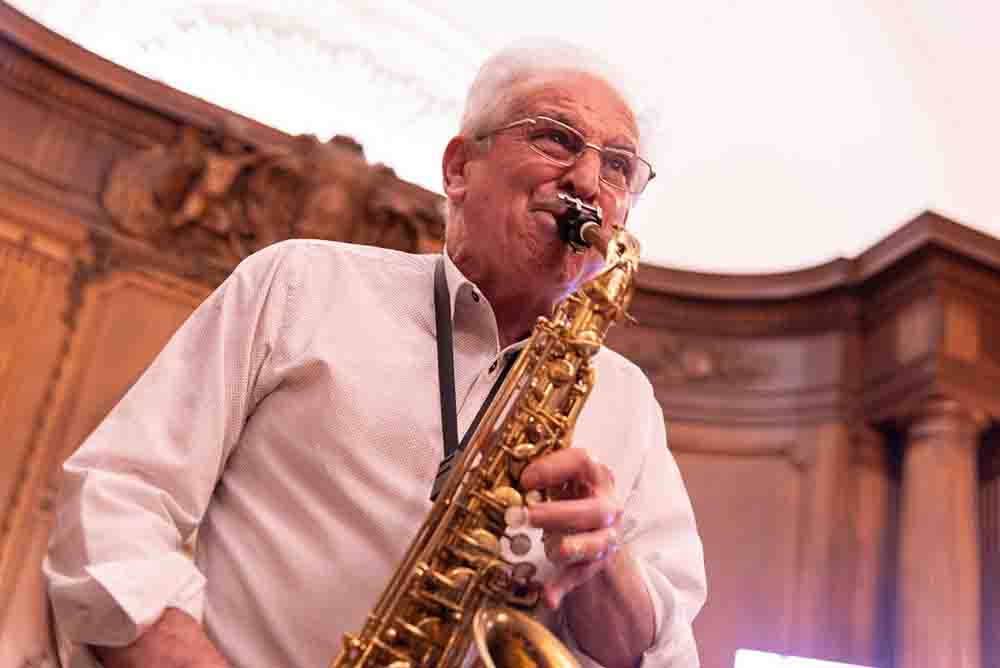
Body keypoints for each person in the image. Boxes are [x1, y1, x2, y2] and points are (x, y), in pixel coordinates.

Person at [44, 41, 706, 668]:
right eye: (556, 138)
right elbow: (114, 506)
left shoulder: (627, 399)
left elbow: (665, 651)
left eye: (619, 166)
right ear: (459, 168)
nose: (588, 180)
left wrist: (605, 562)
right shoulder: (300, 283)